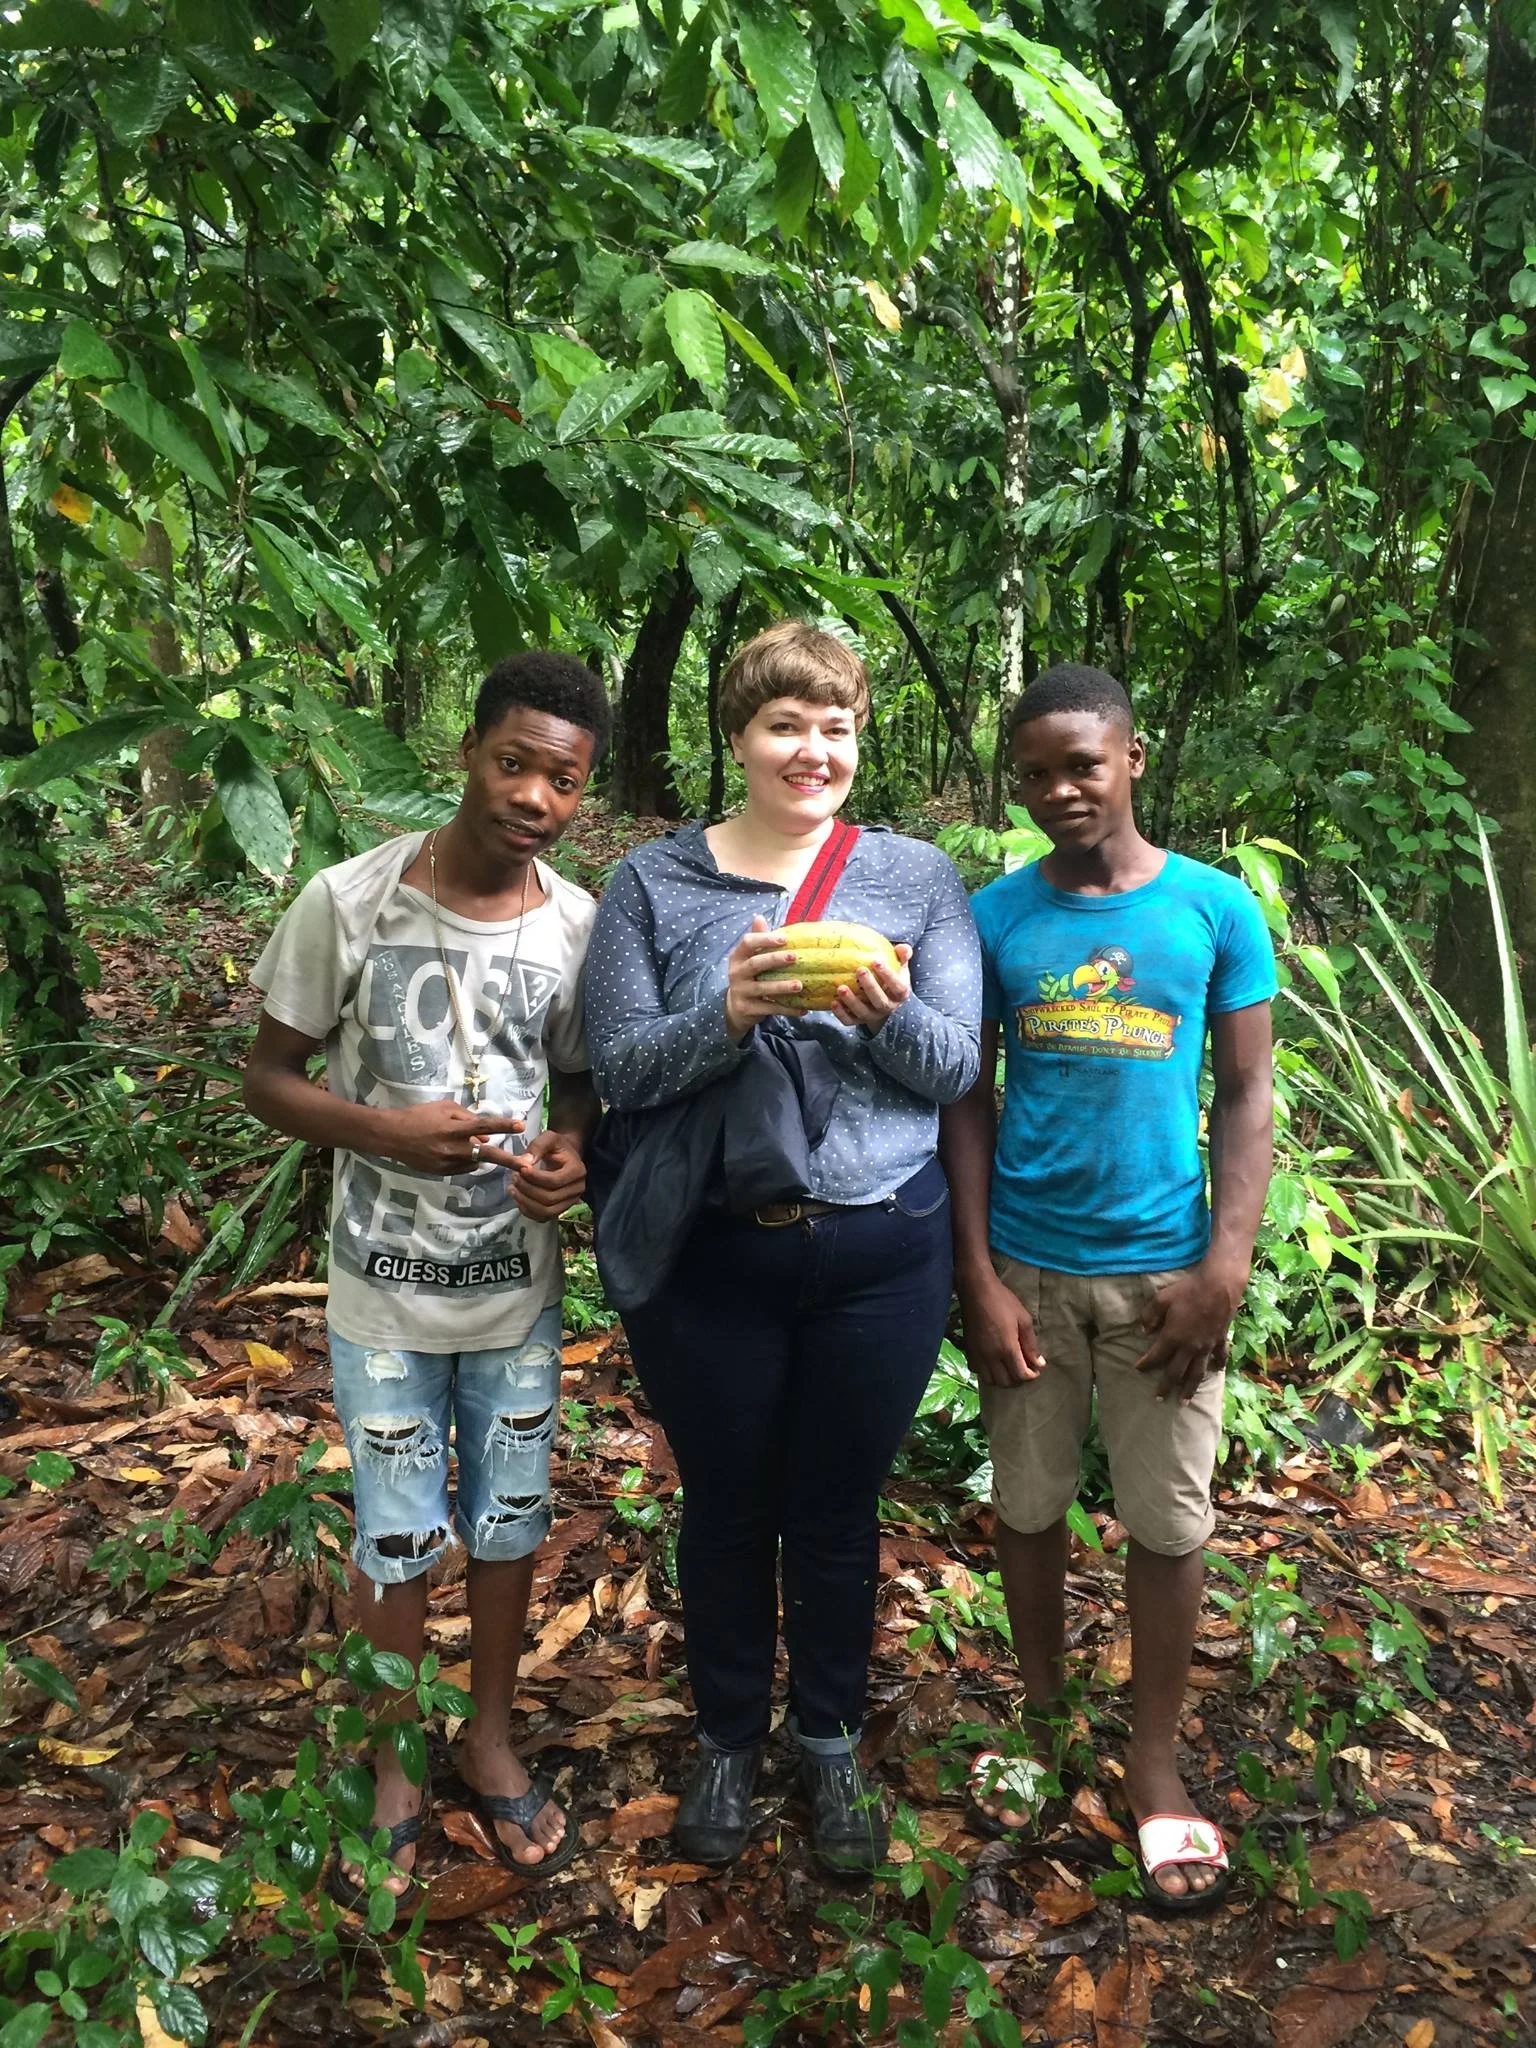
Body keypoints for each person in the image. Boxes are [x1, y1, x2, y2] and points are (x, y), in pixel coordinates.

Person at [584, 621, 981, 1872]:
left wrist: (880, 1014)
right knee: (726, 1502)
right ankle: (724, 1733)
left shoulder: (916, 878)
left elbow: (956, 1068)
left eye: (837, 726)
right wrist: (727, 1011)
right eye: (785, 725)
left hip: (882, 1248)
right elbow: (620, 1069)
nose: (813, 750)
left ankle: (826, 1736)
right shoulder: (654, 884)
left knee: (835, 1506)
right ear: (739, 735)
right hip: (714, 1254)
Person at [243, 652, 609, 1908]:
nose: (534, 797)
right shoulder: (350, 901)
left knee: (509, 1520)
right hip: (383, 1291)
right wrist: (384, 1130)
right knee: (397, 1529)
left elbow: (579, 1085)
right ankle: (395, 1753)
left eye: (563, 779)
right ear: (469, 751)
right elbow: (270, 1075)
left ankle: (488, 1731)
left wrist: (573, 1153)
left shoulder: (577, 925)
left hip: (514, 1285)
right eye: (515, 762)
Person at [940, 662, 1275, 1914]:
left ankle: (1153, 1759)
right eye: (1033, 772)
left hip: (1163, 1276)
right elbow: (965, 1095)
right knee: (1027, 1505)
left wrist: (1223, 1266)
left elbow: (1245, 1094)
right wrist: (976, 1274)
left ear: (1131, 756)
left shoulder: (1213, 908)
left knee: (1168, 1520)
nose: (1058, 790)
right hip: (1029, 1264)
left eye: (1081, 762)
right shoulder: (996, 916)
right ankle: (1038, 1724)